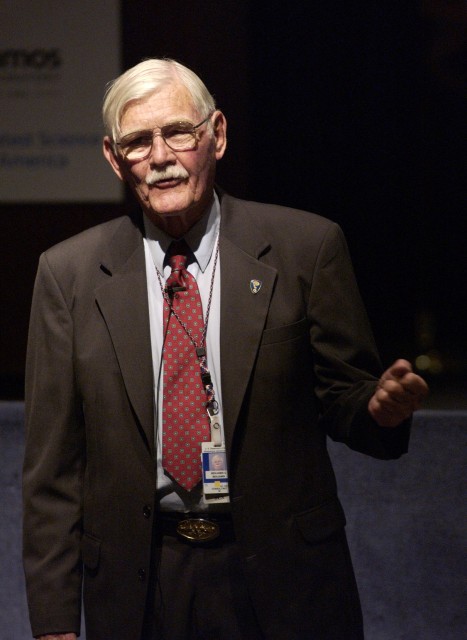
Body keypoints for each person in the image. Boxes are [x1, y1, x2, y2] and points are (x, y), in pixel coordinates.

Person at [23, 58, 428, 640]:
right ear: (114, 159)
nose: (161, 157)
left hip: (286, 579)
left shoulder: (305, 249)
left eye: (178, 133)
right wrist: (54, 619)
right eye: (138, 142)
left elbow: (346, 398)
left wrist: (376, 409)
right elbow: (52, 468)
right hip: (139, 586)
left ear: (217, 135)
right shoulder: (68, 275)